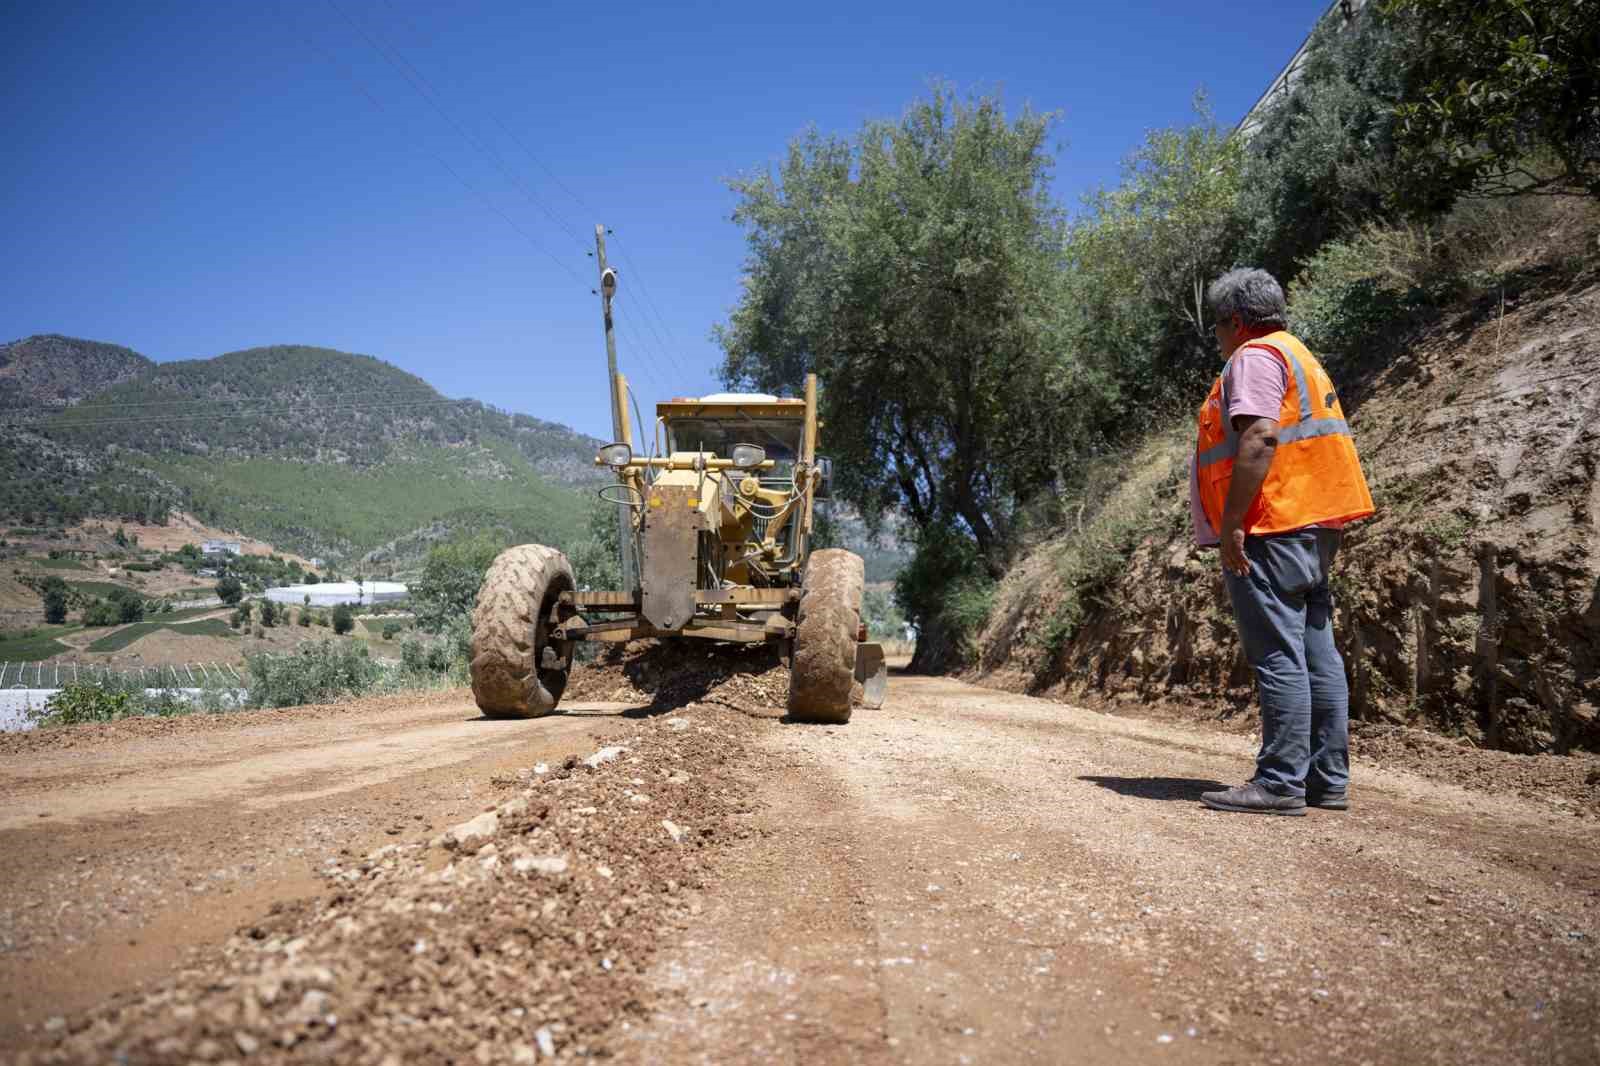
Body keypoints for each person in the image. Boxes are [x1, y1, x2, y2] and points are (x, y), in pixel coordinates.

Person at [1190, 268, 1375, 816]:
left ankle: (1278, 782)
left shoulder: (1252, 357)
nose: (1219, 339)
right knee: (1318, 654)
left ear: (1238, 321)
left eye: (1220, 327)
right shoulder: (1300, 355)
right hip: (1317, 524)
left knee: (1278, 655)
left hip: (1273, 523)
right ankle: (1325, 780)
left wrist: (1232, 524)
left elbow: (1261, 436)